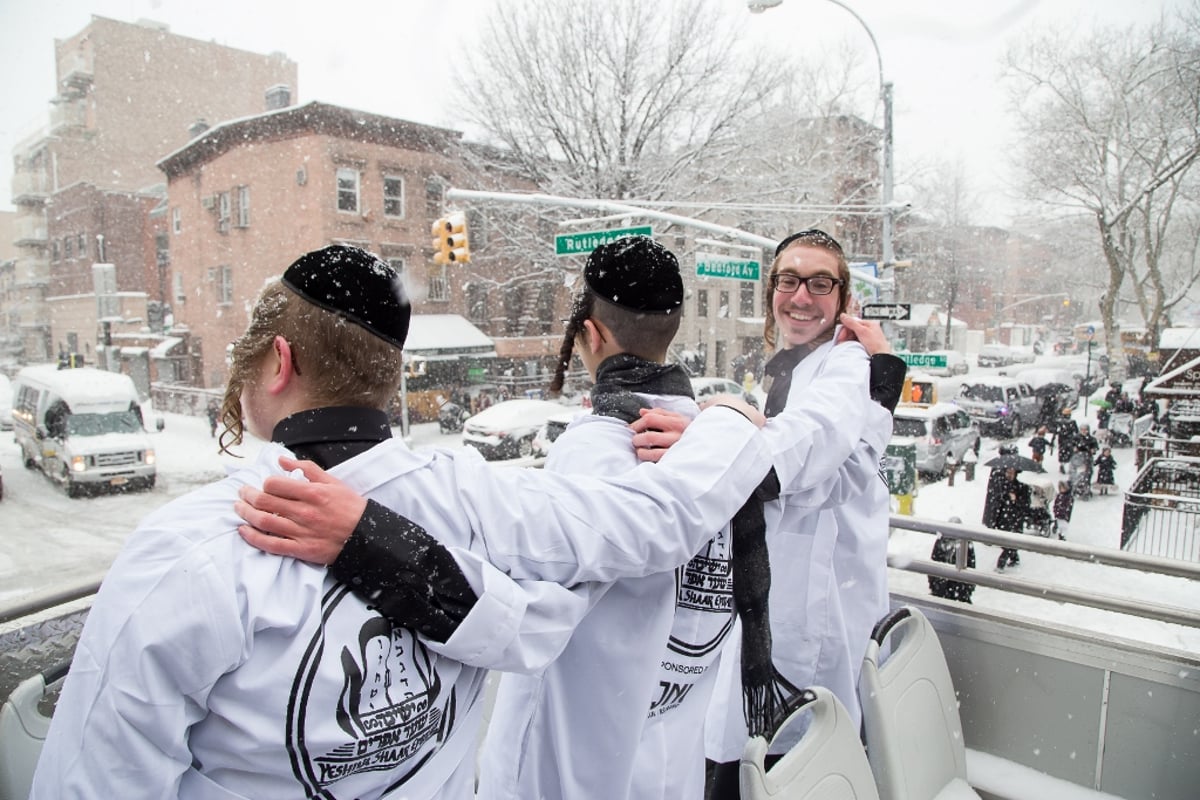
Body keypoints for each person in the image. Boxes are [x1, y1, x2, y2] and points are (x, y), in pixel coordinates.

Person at [30, 246, 771, 800]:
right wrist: (733, 418)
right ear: (392, 378)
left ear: (278, 361)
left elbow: (91, 781)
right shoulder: (485, 503)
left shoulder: (187, 553)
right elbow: (652, 524)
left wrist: (378, 546)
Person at [630, 229, 902, 799]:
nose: (801, 295)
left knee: (774, 768)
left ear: (843, 297)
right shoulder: (794, 365)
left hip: (810, 611)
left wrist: (713, 440)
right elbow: (844, 461)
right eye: (788, 279)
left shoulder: (843, 360)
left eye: (820, 282)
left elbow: (810, 447)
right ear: (771, 288)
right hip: (781, 606)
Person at [983, 462, 1032, 572]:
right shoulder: (1001, 486)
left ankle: (1001, 564)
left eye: (1011, 472)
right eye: (1007, 472)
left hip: (1015, 521)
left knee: (1010, 543)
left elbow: (1026, 507)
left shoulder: (1022, 488)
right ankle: (1015, 558)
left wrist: (1015, 500)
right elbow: (995, 503)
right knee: (1004, 542)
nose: (1009, 474)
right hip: (1003, 521)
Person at [928, 517, 976, 604]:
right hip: (943, 589)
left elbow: (971, 568)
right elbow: (933, 563)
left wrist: (965, 591)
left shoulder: (966, 543)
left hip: (958, 591)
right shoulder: (941, 541)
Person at [1053, 407, 1079, 474]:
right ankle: (1069, 466)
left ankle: (1062, 464)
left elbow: (1055, 431)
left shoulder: (1059, 421)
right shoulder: (1072, 422)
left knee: (1062, 452)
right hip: (1069, 439)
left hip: (1061, 439)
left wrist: (1053, 440)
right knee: (1070, 452)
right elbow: (1076, 431)